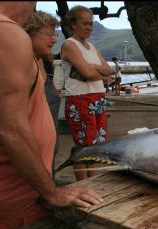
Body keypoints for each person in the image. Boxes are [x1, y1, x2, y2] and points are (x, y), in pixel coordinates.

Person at [0, 2, 104, 229]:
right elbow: (11, 130)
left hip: (0, 185)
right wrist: (52, 192)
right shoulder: (5, 32)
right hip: (20, 193)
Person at [60, 5, 112, 181]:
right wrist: (99, 75)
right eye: (85, 23)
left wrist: (93, 69)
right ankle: (83, 185)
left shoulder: (90, 46)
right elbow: (91, 74)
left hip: (97, 98)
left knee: (95, 145)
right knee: (83, 146)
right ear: (73, 24)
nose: (89, 27)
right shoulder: (70, 45)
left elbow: (108, 70)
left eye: (91, 24)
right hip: (80, 99)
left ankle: (92, 183)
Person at [24, 11, 61, 178]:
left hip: (46, 162)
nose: (54, 40)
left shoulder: (40, 59)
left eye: (55, 34)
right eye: (49, 35)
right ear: (29, 34)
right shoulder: (21, 65)